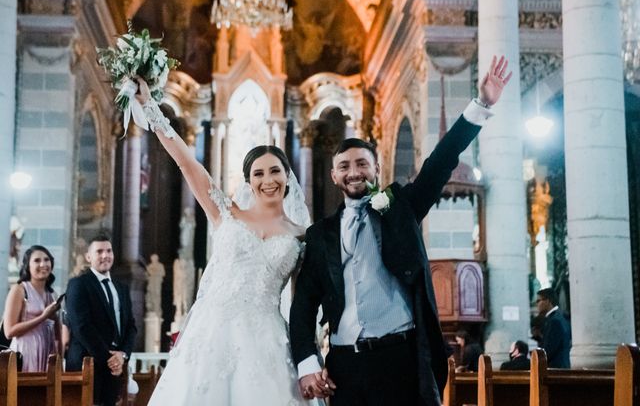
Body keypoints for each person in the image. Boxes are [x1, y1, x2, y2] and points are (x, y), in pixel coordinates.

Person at [290, 55, 512, 405]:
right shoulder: (321, 236)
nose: (354, 172)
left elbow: (439, 163)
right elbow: (303, 306)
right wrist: (306, 363)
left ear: (376, 169)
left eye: (362, 164)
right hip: (346, 365)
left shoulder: (401, 207)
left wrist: (481, 104)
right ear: (334, 176)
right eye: (344, 166)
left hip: (402, 359)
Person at [134, 79, 313, 405]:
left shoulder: (301, 234)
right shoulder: (226, 212)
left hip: (266, 339)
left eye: (275, 171)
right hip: (211, 332)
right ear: (248, 181)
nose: (267, 180)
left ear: (287, 176)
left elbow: (303, 301)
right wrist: (150, 107)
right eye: (258, 174)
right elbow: (186, 163)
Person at [65, 233, 137, 406]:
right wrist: (110, 359)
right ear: (88, 257)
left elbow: (131, 327)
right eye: (99, 251)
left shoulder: (121, 288)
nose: (105, 255)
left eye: (109, 251)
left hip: (114, 368)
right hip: (87, 362)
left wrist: (122, 355)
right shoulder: (78, 284)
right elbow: (82, 327)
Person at [3, 245, 61, 371]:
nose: (43, 264)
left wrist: (59, 359)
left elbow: (57, 330)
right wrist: (43, 316)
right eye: (37, 260)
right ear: (27, 266)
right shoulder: (19, 290)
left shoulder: (51, 293)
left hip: (47, 352)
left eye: (47, 260)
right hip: (25, 352)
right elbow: (9, 331)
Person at [536, 287, 571, 368]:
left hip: (556, 370)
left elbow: (548, 351)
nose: (537, 304)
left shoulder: (554, 321)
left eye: (538, 301)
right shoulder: (560, 317)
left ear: (548, 301)